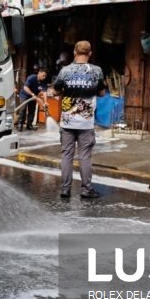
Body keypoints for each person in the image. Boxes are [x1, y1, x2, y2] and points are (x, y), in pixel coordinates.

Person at [52, 40, 106, 199]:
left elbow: (55, 92)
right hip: (86, 122)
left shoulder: (65, 71)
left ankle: (65, 189)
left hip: (67, 121)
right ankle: (86, 189)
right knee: (85, 156)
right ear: (90, 54)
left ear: (74, 53)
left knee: (66, 155)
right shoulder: (97, 71)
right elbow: (102, 93)